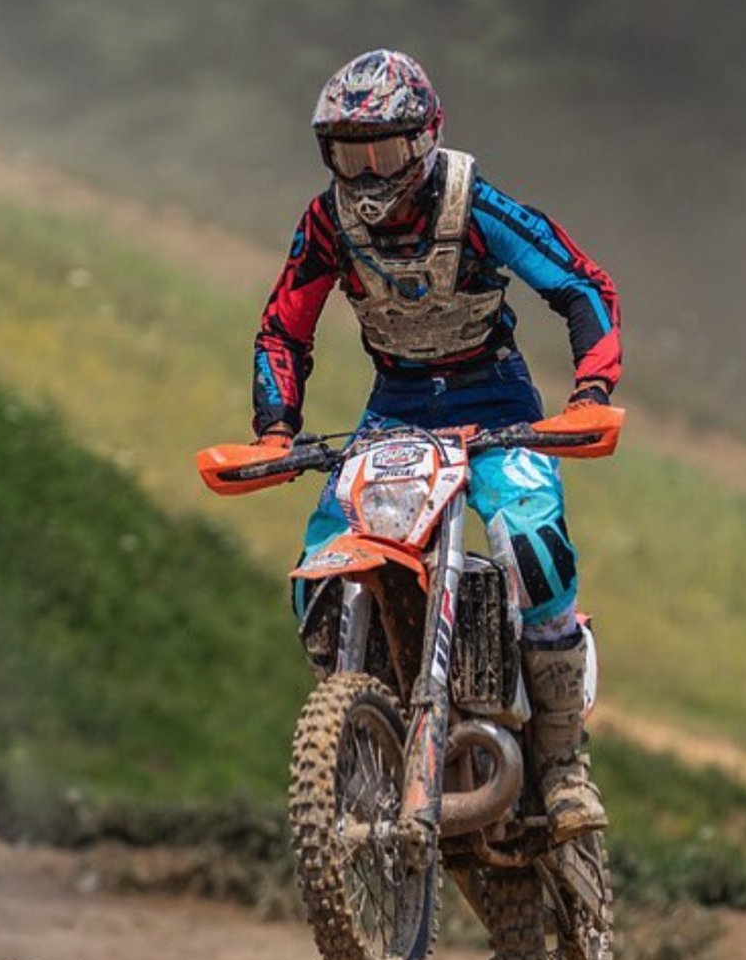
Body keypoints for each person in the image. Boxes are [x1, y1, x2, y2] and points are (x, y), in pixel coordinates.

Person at [250, 48, 622, 842]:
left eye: (383, 150)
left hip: (498, 402)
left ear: (425, 139)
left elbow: (581, 286)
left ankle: (562, 765)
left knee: (532, 544)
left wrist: (590, 392)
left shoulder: (474, 204)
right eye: (349, 153)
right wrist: (277, 425)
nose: (368, 171)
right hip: (395, 414)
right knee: (319, 563)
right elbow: (283, 326)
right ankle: (367, 724)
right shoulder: (326, 223)